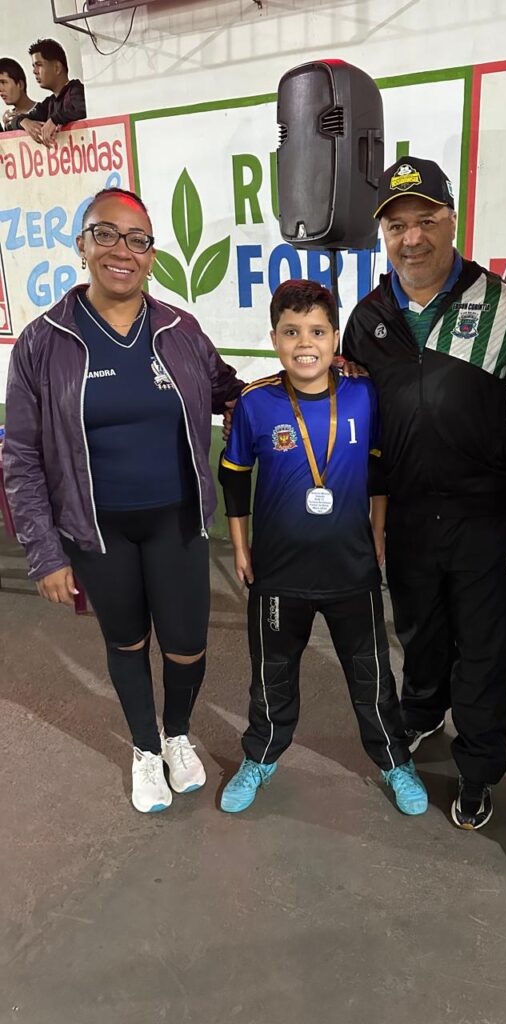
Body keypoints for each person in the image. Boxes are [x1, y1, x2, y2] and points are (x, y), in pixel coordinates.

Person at [4, 187, 243, 813]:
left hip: (178, 519)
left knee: (187, 643)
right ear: (82, 245)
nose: (122, 251)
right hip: (98, 530)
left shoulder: (178, 330)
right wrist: (45, 555)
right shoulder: (43, 342)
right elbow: (21, 457)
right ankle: (144, 748)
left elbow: (228, 391)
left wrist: (313, 382)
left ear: (151, 256)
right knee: (127, 641)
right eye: (106, 234)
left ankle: (178, 734)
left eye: (138, 240)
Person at [342, 157, 506, 830]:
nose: (412, 238)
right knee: (418, 632)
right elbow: (364, 424)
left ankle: (477, 770)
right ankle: (420, 714)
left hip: (482, 512)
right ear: (382, 235)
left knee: (482, 646)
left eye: (426, 221)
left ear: (452, 219)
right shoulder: (367, 319)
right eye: (397, 226)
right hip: (408, 512)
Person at [216, 279, 428, 816]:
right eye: (291, 332)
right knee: (272, 675)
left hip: (350, 568)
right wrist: (241, 547)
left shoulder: (363, 392)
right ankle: (260, 757)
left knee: (373, 675)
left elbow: (379, 469)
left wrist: (378, 530)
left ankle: (394, 762)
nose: (303, 343)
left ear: (336, 339)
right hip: (279, 573)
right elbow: (234, 476)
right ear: (274, 338)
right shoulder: (255, 402)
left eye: (316, 331)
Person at [14, 39, 86, 146]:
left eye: (39, 64)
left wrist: (55, 119)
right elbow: (13, 122)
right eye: (33, 66)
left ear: (57, 68)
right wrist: (23, 122)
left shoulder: (76, 90)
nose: (34, 71)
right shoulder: (49, 103)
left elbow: (85, 110)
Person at [0, 57, 35, 130]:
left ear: (20, 84)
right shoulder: (8, 118)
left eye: (3, 82)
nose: (0, 89)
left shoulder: (45, 109)